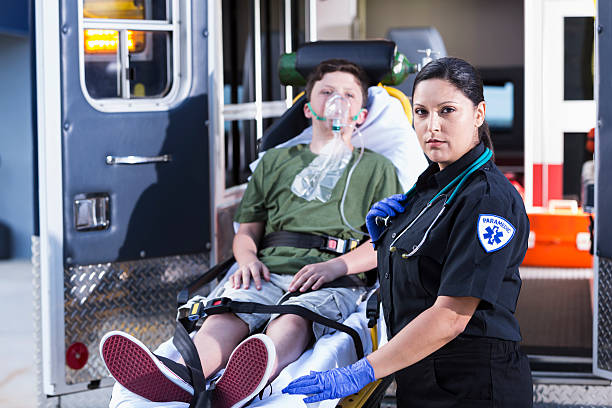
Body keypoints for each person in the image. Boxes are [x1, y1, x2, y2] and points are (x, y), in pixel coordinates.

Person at [100, 59, 403, 408]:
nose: (338, 101)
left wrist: (335, 268)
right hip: (267, 270)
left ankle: (256, 371)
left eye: (349, 95)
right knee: (228, 313)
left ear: (361, 115)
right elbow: (247, 231)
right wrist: (245, 260)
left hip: (331, 275)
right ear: (307, 108)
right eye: (327, 92)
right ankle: (181, 376)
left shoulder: (377, 168)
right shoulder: (276, 163)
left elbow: (383, 243)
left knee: (294, 318)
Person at [283, 57, 534, 407]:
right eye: (421, 112)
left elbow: (451, 316)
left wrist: (363, 370)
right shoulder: (433, 184)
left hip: (473, 386)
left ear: (478, 114)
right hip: (421, 376)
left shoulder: (487, 201)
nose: (432, 126)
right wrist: (385, 241)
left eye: (447, 111)